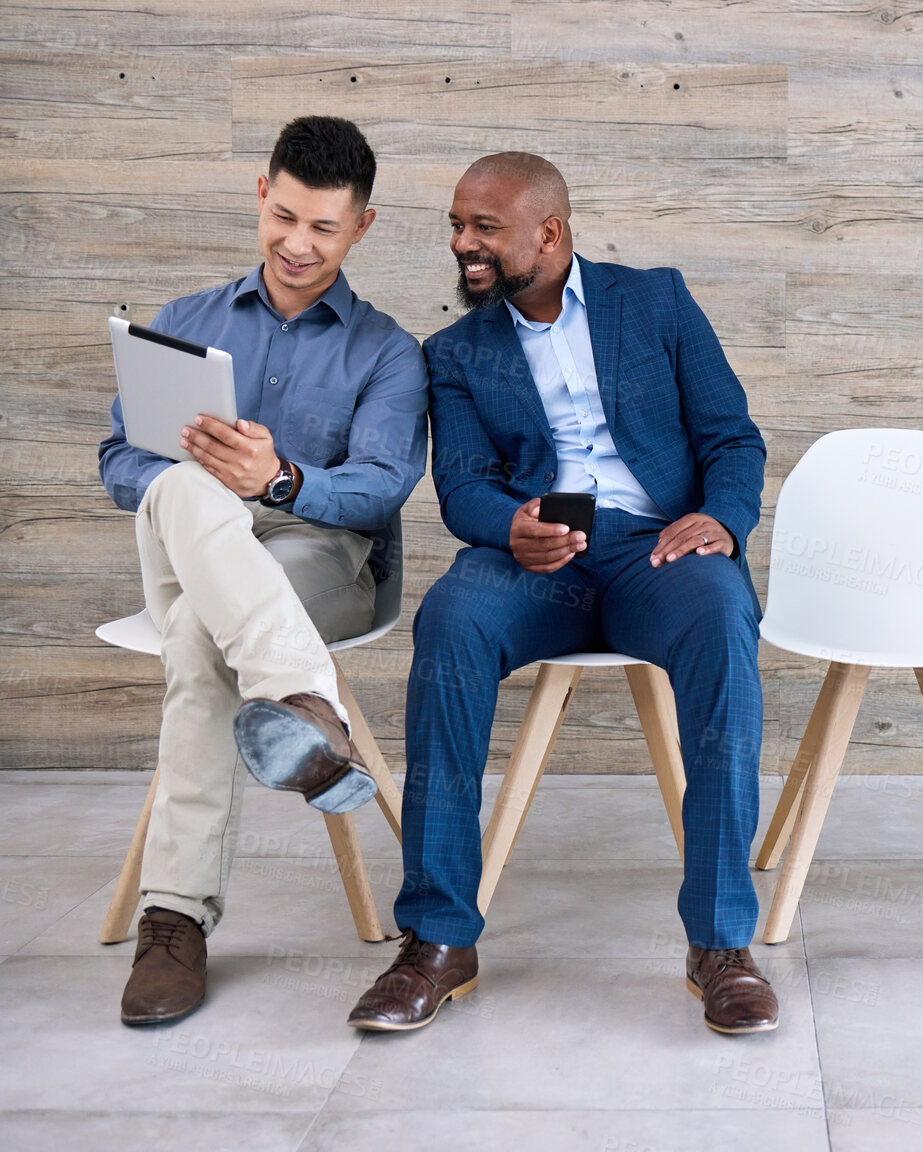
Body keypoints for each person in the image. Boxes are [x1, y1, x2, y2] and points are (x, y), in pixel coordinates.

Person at [345, 153, 776, 1036]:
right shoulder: (456, 351)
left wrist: (722, 523)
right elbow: (461, 485)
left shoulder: (655, 301)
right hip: (535, 561)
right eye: (457, 227)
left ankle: (721, 944)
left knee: (724, 619)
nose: (463, 245)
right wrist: (510, 528)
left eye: (483, 229)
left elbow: (732, 437)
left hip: (658, 551)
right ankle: (437, 939)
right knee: (451, 619)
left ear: (549, 232)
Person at [97, 116, 429, 1025]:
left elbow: (379, 490)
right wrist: (198, 478)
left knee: (202, 644)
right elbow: (117, 460)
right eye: (283, 216)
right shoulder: (184, 322)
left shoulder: (389, 352)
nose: (296, 243)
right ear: (260, 194)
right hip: (189, 545)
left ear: (360, 227)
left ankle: (174, 919)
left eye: (323, 227)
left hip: (318, 556)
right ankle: (304, 703)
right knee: (182, 490)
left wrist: (277, 477)